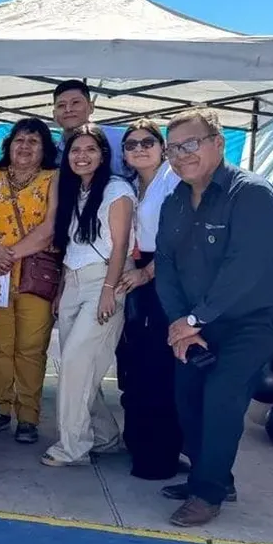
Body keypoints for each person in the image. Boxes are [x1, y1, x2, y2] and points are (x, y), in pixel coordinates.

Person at [155, 109, 273, 527]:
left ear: (218, 143)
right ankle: (213, 475)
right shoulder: (174, 201)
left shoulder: (251, 193)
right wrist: (180, 325)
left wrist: (193, 320)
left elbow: (245, 266)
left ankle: (208, 493)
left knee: (222, 394)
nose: (180, 155)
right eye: (172, 149)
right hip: (200, 320)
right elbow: (166, 265)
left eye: (190, 144)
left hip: (258, 318)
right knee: (187, 395)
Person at [43, 125, 135, 467]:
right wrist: (61, 290)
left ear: (103, 154)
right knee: (80, 367)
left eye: (90, 149)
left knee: (74, 364)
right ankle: (105, 436)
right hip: (73, 281)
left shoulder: (117, 189)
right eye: (75, 150)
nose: (82, 156)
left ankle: (73, 447)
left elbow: (120, 245)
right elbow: (71, 246)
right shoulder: (74, 190)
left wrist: (109, 291)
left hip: (103, 282)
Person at [0, 118, 60, 445]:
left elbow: (51, 227)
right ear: (9, 144)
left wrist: (11, 254)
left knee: (31, 348)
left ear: (44, 148)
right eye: (19, 140)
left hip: (36, 275)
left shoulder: (53, 178)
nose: (25, 147)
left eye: (33, 141)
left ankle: (28, 417)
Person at [114, 119, 184, 480]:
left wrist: (147, 273)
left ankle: (160, 456)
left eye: (147, 142)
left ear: (162, 148)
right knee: (135, 366)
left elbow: (180, 238)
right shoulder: (130, 186)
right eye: (131, 145)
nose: (139, 149)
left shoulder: (174, 181)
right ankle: (138, 444)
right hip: (137, 275)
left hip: (165, 276)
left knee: (159, 369)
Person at [53, 79, 127, 178]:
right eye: (61, 105)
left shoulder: (119, 140)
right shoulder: (53, 152)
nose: (68, 109)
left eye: (75, 102)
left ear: (91, 107)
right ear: (54, 114)